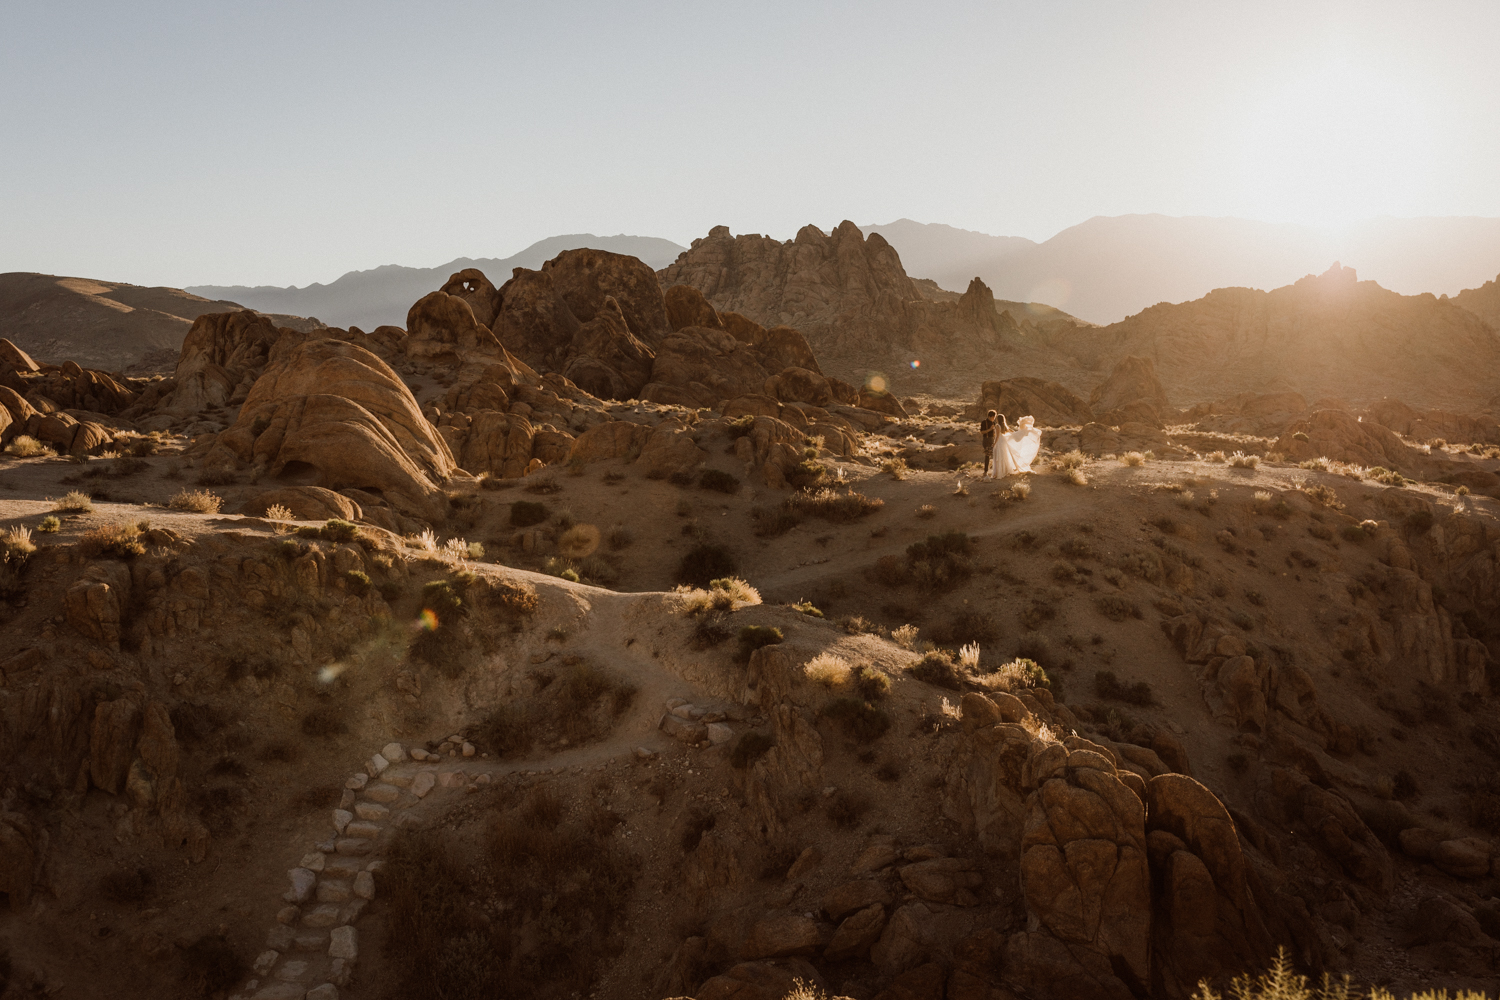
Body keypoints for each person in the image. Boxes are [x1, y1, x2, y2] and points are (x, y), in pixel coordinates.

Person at [979, 409, 999, 478]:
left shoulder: (994, 423)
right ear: (991, 416)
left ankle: (995, 470)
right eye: (994, 417)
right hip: (986, 440)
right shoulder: (984, 422)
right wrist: (990, 429)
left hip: (993, 440)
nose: (994, 418)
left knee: (995, 455)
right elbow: (982, 432)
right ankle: (985, 471)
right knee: (987, 455)